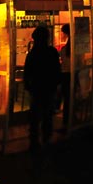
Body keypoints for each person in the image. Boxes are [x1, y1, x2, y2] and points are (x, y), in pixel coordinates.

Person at [23, 25, 62, 153]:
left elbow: (27, 72)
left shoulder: (32, 54)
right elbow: (57, 70)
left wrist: (27, 85)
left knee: (35, 115)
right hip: (49, 87)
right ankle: (46, 138)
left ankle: (34, 140)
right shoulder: (52, 52)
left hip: (36, 87)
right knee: (47, 114)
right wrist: (57, 83)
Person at [57, 24, 72, 130]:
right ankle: (69, 119)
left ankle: (66, 122)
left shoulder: (66, 48)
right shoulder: (72, 45)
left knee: (66, 98)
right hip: (72, 73)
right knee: (69, 98)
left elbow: (63, 62)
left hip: (66, 74)